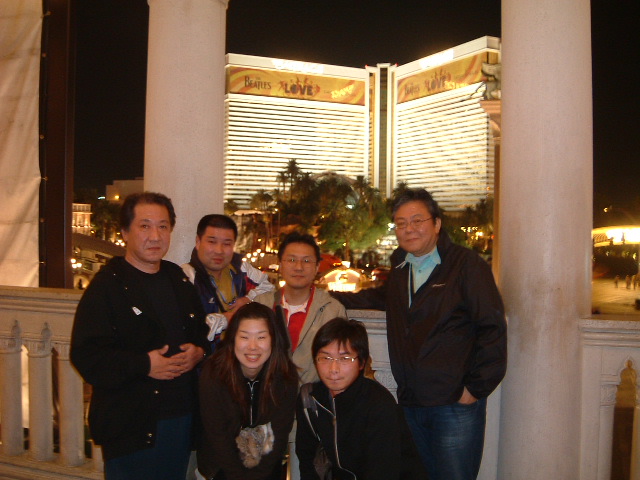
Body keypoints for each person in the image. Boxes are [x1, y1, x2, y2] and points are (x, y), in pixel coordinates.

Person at [332, 188, 507, 480]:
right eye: (401, 223)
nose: (408, 229)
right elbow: (379, 298)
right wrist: (327, 297)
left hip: (453, 404)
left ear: (436, 223)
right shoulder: (402, 267)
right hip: (411, 401)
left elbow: (492, 328)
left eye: (417, 220)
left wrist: (474, 389)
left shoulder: (466, 265)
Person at [70, 192, 210, 479]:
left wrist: (199, 352)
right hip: (131, 426)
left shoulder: (178, 278)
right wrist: (145, 365)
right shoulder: (107, 287)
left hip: (181, 419)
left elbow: (202, 333)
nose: (155, 236)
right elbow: (87, 357)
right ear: (125, 232)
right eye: (145, 226)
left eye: (163, 226)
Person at [295, 318, 427, 480]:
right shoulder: (310, 399)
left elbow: (383, 471)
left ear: (362, 363)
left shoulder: (379, 404)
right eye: (325, 358)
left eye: (345, 359)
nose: (333, 369)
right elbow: (307, 461)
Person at [196, 302, 298, 480]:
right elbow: (217, 435)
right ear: (233, 338)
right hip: (220, 466)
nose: (252, 346)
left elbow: (279, 433)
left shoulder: (285, 374)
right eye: (244, 337)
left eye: (261, 337)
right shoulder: (213, 373)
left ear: (273, 339)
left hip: (266, 467)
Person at [182, 214, 275, 347]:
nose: (219, 250)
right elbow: (187, 327)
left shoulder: (241, 269)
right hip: (207, 357)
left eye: (226, 244)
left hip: (243, 354)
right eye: (212, 242)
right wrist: (227, 319)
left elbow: (270, 290)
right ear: (198, 242)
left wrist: (249, 299)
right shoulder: (186, 277)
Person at [274, 231, 346, 384]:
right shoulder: (263, 304)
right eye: (291, 260)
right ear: (280, 264)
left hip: (312, 394)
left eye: (306, 261)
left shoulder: (332, 311)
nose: (298, 267)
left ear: (317, 266)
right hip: (266, 395)